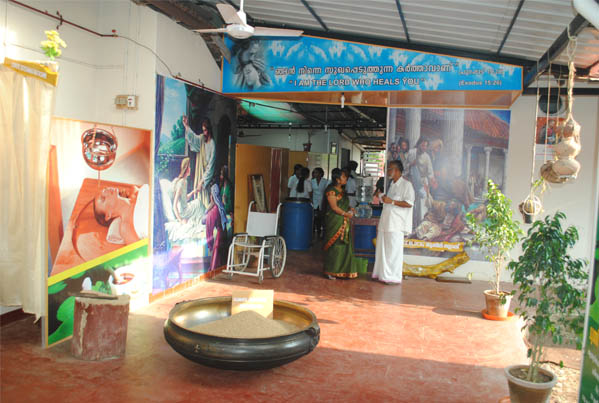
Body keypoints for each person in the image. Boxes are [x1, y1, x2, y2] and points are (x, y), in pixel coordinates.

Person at [372, 160, 415, 284]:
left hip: (396, 224)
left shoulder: (407, 185)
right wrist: (382, 196)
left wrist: (392, 201)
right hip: (386, 222)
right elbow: (388, 202)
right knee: (383, 250)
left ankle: (393, 277)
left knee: (393, 252)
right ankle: (383, 275)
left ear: (396, 170)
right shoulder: (391, 184)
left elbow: (409, 203)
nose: (387, 172)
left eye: (389, 169)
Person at [323, 168, 368, 279]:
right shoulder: (331, 191)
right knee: (335, 246)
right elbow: (334, 207)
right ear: (337, 179)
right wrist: (345, 214)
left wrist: (350, 208)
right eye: (343, 176)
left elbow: (342, 204)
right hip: (335, 221)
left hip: (343, 220)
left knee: (344, 246)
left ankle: (344, 270)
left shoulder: (342, 190)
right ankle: (331, 271)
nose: (346, 178)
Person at [182, 116, 215, 209]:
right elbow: (193, 138)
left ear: (209, 129)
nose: (205, 133)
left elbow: (211, 166)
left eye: (206, 130)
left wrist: (202, 181)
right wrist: (186, 126)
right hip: (199, 172)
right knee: (198, 197)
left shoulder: (212, 144)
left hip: (206, 177)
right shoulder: (201, 139)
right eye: (203, 130)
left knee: (206, 200)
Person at [407, 138, 434, 229]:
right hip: (411, 181)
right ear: (418, 144)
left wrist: (430, 181)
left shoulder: (427, 157)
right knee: (412, 203)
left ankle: (420, 226)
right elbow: (404, 166)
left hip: (422, 182)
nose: (424, 147)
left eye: (426, 146)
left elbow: (430, 172)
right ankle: (412, 226)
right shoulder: (412, 153)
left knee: (422, 206)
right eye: (422, 145)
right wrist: (411, 164)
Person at [172, 157, 205, 225]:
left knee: (198, 202)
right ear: (186, 168)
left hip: (185, 208)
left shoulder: (185, 181)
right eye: (189, 166)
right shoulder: (181, 183)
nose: (190, 168)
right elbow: (174, 205)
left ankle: (203, 221)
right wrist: (181, 221)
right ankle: (204, 222)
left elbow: (184, 198)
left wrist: (193, 192)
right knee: (198, 203)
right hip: (183, 212)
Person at [202, 183, 227, 271]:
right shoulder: (220, 206)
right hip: (224, 235)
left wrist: (210, 244)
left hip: (219, 237)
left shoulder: (214, 210)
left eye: (210, 195)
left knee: (215, 265)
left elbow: (209, 229)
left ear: (212, 196)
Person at [311, 167, 329, 239]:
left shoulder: (325, 181)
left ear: (321, 174)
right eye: (314, 172)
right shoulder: (312, 181)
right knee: (314, 219)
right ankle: (313, 234)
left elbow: (326, 192)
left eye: (317, 172)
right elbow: (311, 192)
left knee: (321, 218)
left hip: (322, 201)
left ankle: (321, 234)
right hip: (314, 201)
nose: (315, 174)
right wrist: (311, 201)